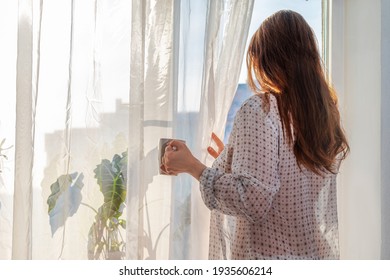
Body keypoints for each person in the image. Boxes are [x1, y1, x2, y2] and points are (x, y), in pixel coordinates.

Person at [162, 10, 349, 260]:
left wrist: (193, 167)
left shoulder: (262, 109)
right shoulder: (322, 116)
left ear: (267, 60)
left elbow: (253, 200)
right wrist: (232, 158)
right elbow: (283, 175)